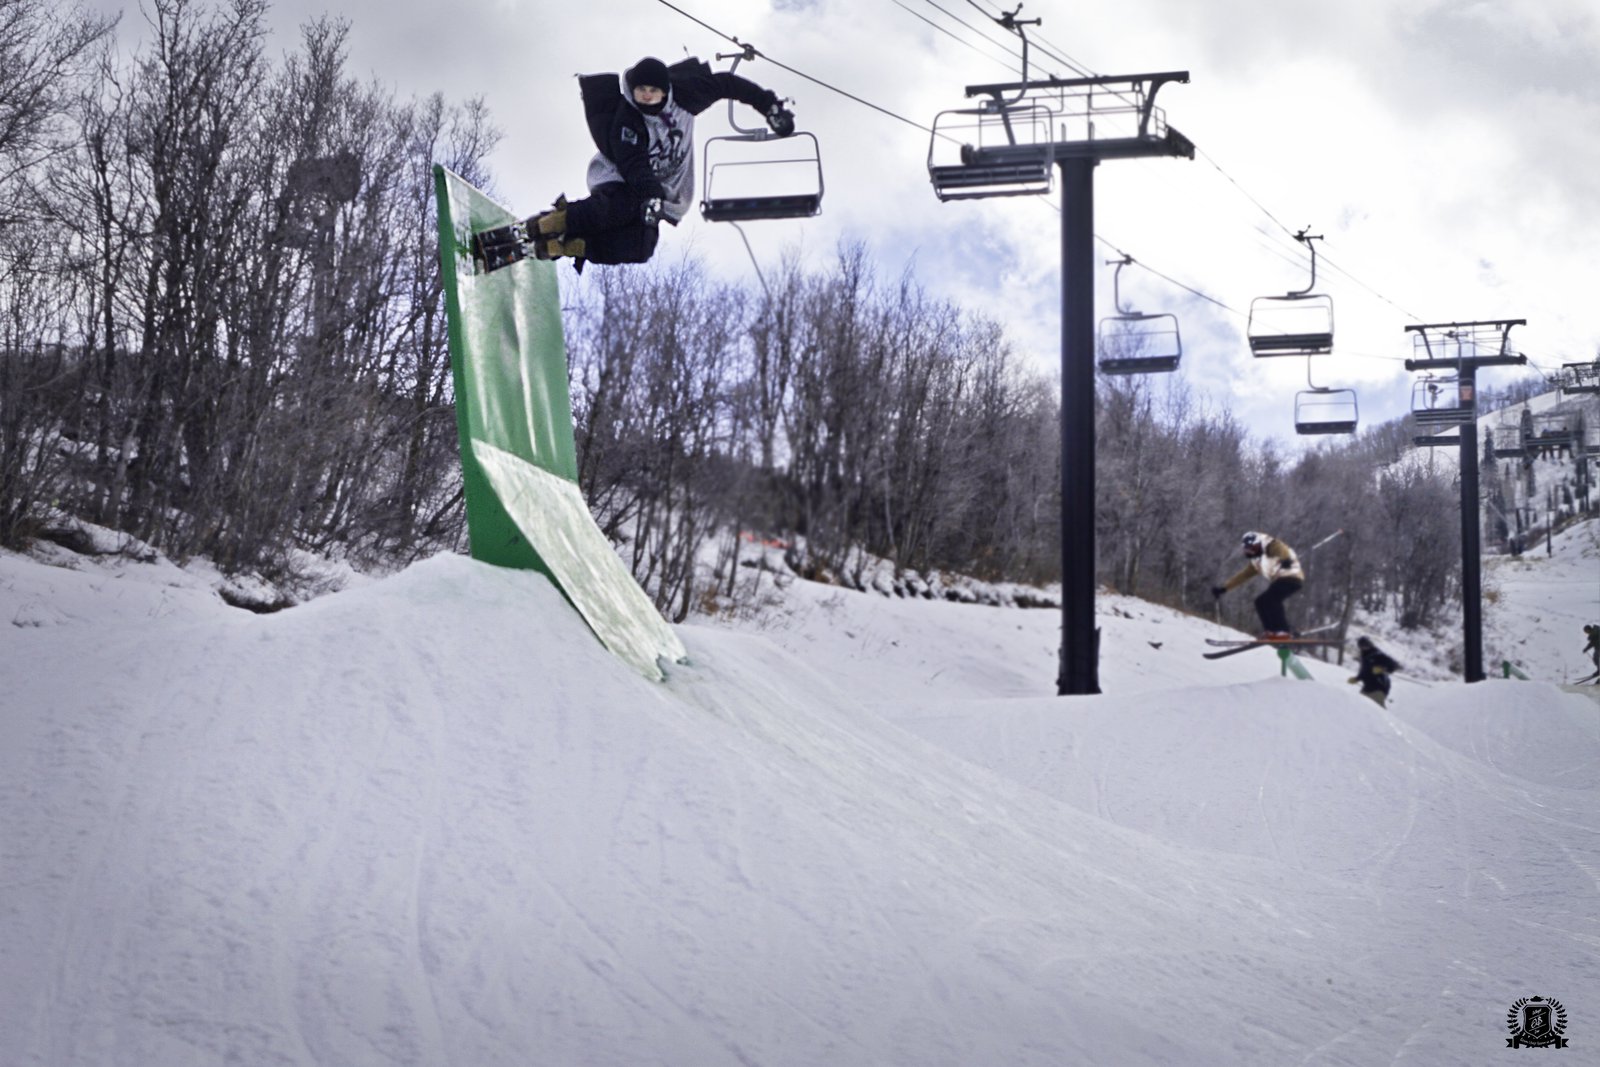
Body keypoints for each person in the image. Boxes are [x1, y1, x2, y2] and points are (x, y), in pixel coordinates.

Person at [518, 56, 794, 268]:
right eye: (641, 90)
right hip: (620, 176)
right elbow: (633, 164)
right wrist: (651, 194)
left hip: (657, 193)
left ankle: (569, 246)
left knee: (640, 247)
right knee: (620, 208)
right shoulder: (628, 118)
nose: (647, 95)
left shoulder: (687, 96)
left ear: (665, 91)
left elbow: (729, 85)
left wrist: (769, 107)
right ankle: (552, 223)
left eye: (653, 90)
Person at [1211, 531, 1305, 640]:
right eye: (1249, 550)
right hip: (1281, 580)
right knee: (1260, 602)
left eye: (1254, 548)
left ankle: (1283, 631)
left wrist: (1285, 559)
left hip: (1292, 577)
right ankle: (1271, 631)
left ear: (1259, 544)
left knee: (1272, 600)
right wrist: (1224, 588)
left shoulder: (1270, 546)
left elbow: (1281, 548)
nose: (1252, 552)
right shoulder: (1256, 562)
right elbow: (1242, 576)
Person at [1347, 636, 1402, 707]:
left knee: (1377, 709)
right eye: (1361, 646)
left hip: (1379, 686)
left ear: (1369, 644)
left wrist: (1382, 669)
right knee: (1360, 706)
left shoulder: (1378, 654)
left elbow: (1394, 665)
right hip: (1367, 687)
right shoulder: (1365, 658)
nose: (1364, 647)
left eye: (1365, 645)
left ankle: (1386, 718)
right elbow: (1364, 672)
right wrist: (1356, 679)